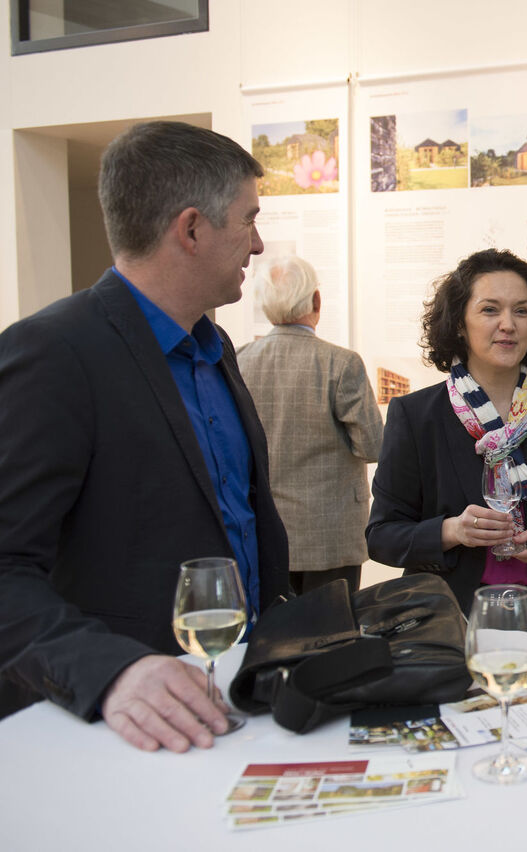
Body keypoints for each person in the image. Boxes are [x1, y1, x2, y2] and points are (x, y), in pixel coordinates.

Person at [0, 121, 290, 752]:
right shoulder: (52, 353)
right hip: (126, 729)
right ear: (191, 229)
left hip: (231, 707)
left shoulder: (216, 352)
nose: (259, 244)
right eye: (248, 220)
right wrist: (112, 671)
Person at [366, 248, 527, 642]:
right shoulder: (416, 415)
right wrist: (451, 531)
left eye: (521, 311)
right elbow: (382, 536)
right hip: (446, 628)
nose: (508, 325)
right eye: (490, 310)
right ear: (459, 324)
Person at [238, 255, 384, 595]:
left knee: (278, 636)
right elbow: (374, 445)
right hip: (330, 534)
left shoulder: (240, 360)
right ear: (316, 300)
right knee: (332, 635)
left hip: (264, 532)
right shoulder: (341, 363)